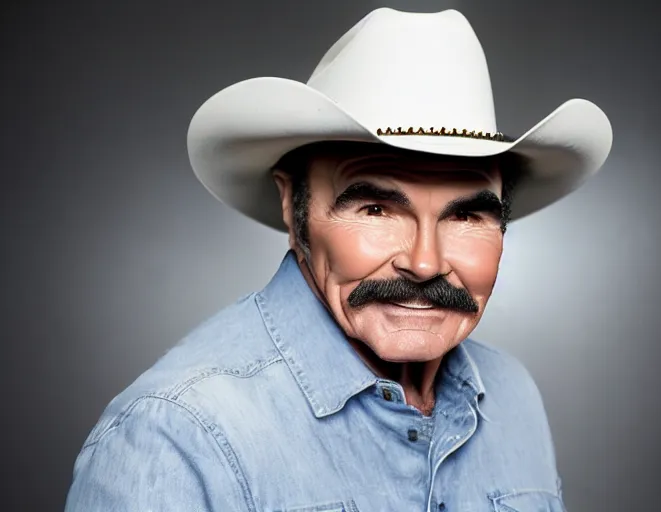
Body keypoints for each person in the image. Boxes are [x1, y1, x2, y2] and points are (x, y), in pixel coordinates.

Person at [65, 7, 611, 512]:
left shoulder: (513, 397)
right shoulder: (177, 438)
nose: (424, 264)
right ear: (292, 204)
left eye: (466, 217)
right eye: (375, 209)